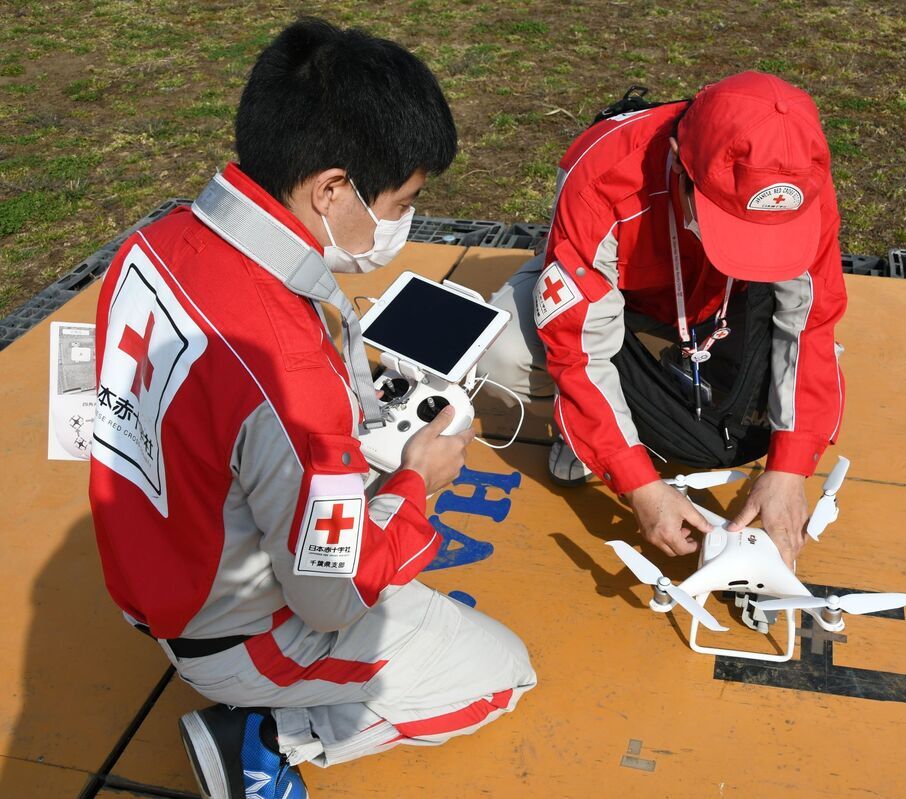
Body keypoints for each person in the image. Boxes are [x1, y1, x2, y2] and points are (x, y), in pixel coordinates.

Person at [88, 18, 535, 799]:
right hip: (234, 633)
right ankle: (262, 741)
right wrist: (416, 484)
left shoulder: (150, 243)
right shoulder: (286, 370)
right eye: (405, 200)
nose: (407, 220)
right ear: (331, 189)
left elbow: (88, 413)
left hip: (150, 573)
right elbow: (328, 597)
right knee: (500, 675)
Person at [478, 71, 847, 565]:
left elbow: (810, 327)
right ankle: (590, 435)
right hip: (625, 307)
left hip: (723, 310)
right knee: (501, 349)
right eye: (729, 223)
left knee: (761, 414)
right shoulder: (601, 178)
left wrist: (790, 468)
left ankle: (617, 427)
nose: (744, 246)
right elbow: (577, 347)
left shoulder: (799, 183)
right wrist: (634, 480)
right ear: (678, 161)